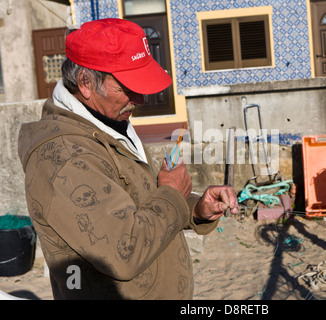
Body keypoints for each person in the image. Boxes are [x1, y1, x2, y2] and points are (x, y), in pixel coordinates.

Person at [17, 18, 238, 300]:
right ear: (86, 82)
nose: (140, 100)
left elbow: (137, 205)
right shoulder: (65, 160)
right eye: (128, 87)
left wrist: (193, 209)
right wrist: (171, 193)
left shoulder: (105, 122)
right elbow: (125, 251)